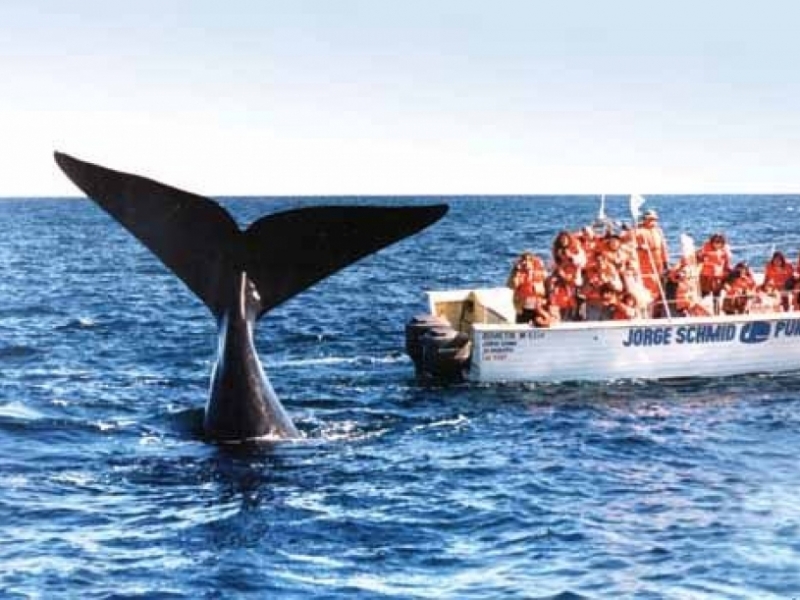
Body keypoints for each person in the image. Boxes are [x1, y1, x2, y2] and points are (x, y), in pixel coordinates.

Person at [635, 210, 669, 315]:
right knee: (648, 286)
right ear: (644, 220)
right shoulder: (638, 231)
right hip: (645, 262)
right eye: (650, 219)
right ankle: (647, 311)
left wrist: (665, 262)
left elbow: (663, 247)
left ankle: (656, 311)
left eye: (654, 220)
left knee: (659, 287)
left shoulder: (658, 231)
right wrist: (640, 247)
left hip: (657, 261)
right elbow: (630, 245)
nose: (652, 222)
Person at [697, 233, 732, 305]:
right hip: (706, 275)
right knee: (703, 293)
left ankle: (716, 312)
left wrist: (728, 271)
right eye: (715, 242)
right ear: (712, 242)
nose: (717, 244)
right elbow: (700, 258)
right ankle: (696, 308)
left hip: (718, 276)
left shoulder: (725, 250)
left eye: (720, 242)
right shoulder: (706, 247)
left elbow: (727, 263)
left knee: (716, 295)